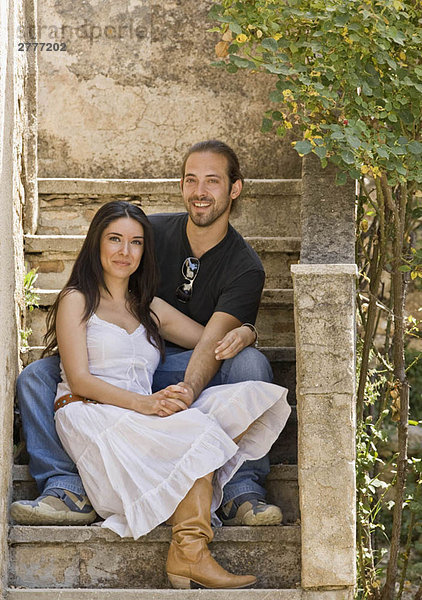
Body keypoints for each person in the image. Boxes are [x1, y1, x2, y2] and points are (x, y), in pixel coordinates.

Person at [12, 139, 284, 527]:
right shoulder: (148, 232)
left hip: (186, 364)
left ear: (234, 188)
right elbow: (101, 265)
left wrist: (245, 335)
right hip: (118, 360)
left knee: (249, 364)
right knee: (37, 377)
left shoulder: (244, 266)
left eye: (212, 182)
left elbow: (211, 340)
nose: (200, 192)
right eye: (192, 180)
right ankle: (65, 486)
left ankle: (240, 489)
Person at [39, 200, 291, 589]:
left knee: (237, 404)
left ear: (145, 250)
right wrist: (149, 404)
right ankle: (191, 552)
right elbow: (80, 379)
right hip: (91, 413)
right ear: (97, 244)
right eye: (115, 240)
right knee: (199, 433)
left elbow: (211, 341)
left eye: (136, 242)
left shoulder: (147, 306)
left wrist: (247, 332)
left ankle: (188, 552)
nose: (125, 252)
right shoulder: (78, 298)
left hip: (139, 417)